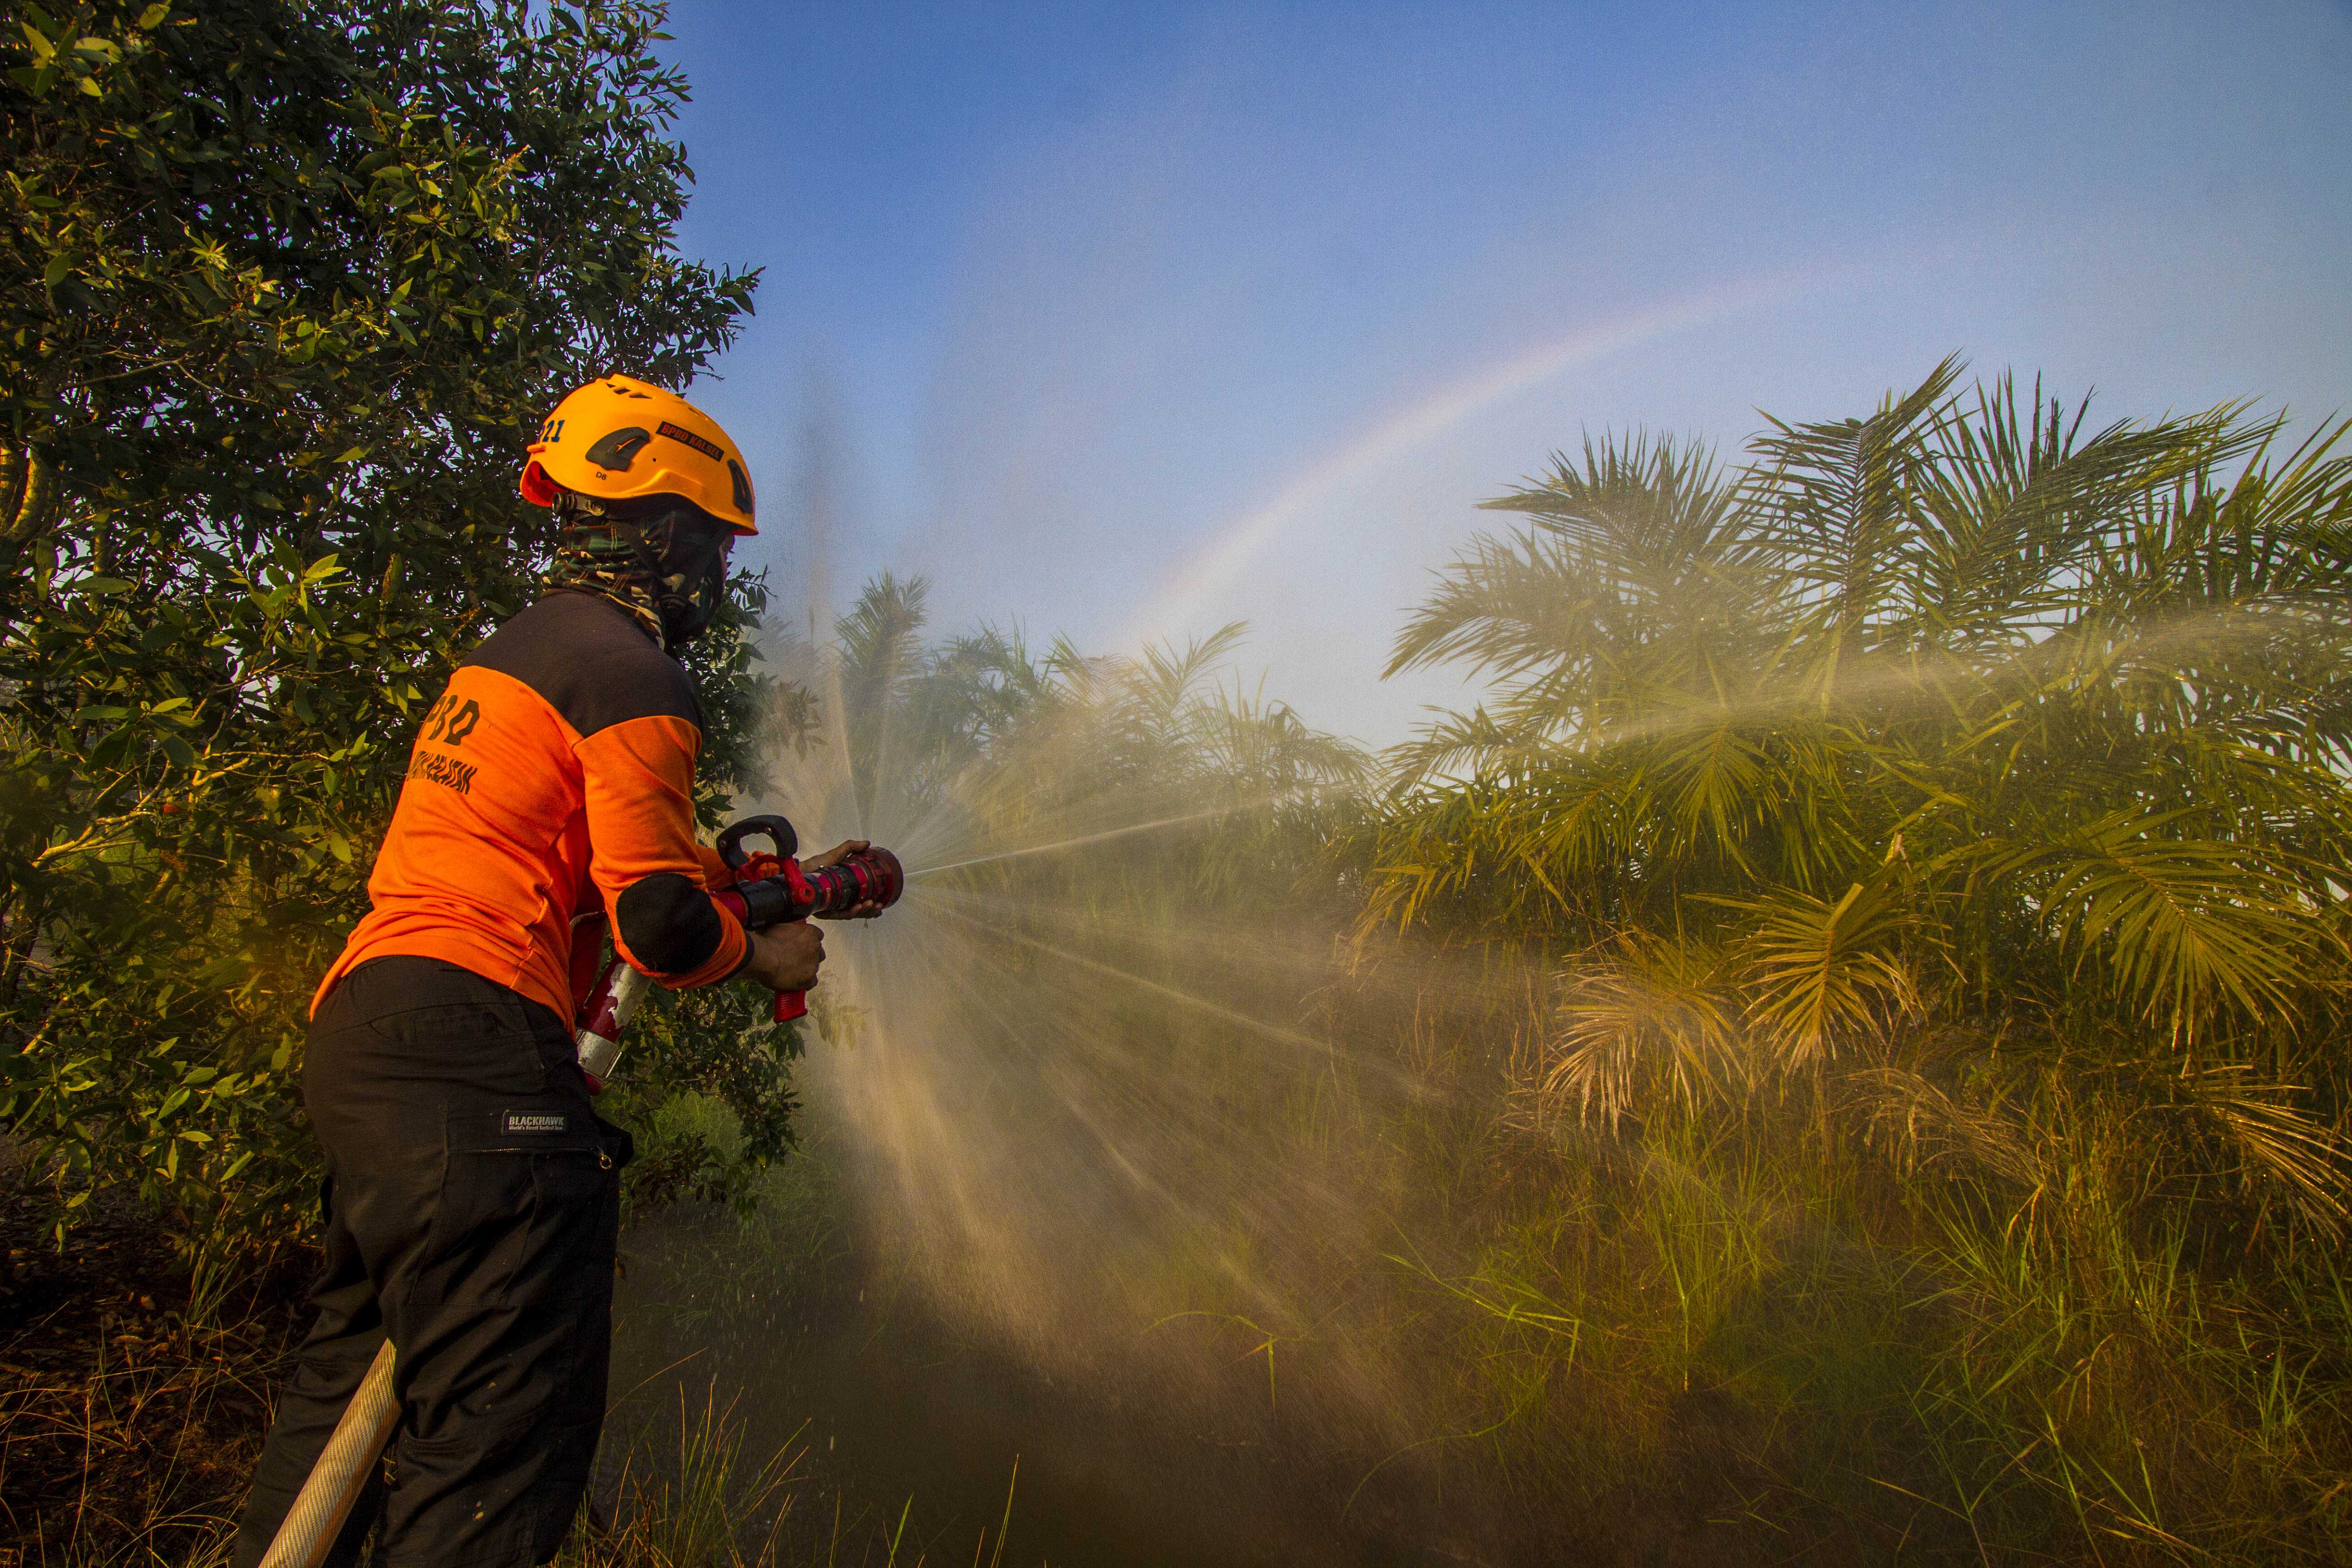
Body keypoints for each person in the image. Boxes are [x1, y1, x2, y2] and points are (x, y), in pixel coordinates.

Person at [232, 375, 862, 1568]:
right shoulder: (630, 669)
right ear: (667, 535)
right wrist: (762, 943)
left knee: (339, 1417)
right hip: (480, 1060)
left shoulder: (515, 657)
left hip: (373, 1035)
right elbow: (661, 923)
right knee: (496, 1448)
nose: (716, 582)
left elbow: (608, 865)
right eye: (715, 553)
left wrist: (778, 881)